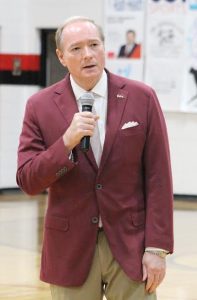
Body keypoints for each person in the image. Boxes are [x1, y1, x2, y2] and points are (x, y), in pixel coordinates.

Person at [16, 16, 174, 300]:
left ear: (104, 48)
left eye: (94, 45)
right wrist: (65, 143)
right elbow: (28, 180)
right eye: (76, 48)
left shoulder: (142, 97)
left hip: (131, 247)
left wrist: (157, 249)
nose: (87, 54)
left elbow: (159, 178)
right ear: (61, 57)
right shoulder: (39, 106)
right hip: (68, 249)